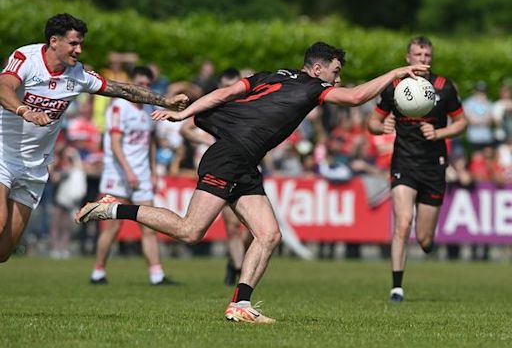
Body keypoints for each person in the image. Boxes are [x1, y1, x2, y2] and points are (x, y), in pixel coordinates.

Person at [76, 41, 428, 323]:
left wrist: (187, 111)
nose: (336, 81)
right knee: (189, 231)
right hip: (230, 157)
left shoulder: (270, 75)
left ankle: (240, 304)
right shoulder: (312, 87)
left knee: (269, 234)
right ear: (318, 68)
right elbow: (354, 98)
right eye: (334, 73)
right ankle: (114, 208)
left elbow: (226, 93)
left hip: (243, 162)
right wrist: (396, 73)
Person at [0, 13, 188, 263]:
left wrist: (164, 101)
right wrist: (26, 111)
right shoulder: (26, 58)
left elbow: (121, 89)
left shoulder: (77, 75)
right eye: (74, 43)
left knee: (4, 251)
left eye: (81, 44)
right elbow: (4, 88)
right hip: (3, 154)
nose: (79, 50)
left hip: (34, 167)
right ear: (54, 41)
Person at [368, 36, 468, 302]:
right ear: (408, 58)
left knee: (424, 239)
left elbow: (462, 123)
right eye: (418, 55)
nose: (423, 59)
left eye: (427, 56)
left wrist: (439, 132)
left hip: (433, 165)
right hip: (404, 162)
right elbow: (372, 123)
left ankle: (427, 242)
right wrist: (383, 126)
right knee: (402, 223)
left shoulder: (444, 87)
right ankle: (396, 288)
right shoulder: (395, 87)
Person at [89, 66, 177, 285]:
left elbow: (150, 144)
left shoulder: (148, 110)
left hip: (141, 174)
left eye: (147, 85)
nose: (143, 88)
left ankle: (157, 274)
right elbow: (115, 143)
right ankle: (98, 271)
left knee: (149, 225)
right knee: (112, 225)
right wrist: (128, 171)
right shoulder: (119, 107)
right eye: (140, 84)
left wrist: (153, 171)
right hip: (117, 173)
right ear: (132, 84)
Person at [180, 67, 249, 286]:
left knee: (251, 228)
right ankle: (238, 269)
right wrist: (206, 141)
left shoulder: (246, 105)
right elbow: (185, 129)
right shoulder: (213, 105)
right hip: (219, 169)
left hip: (244, 167)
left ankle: (235, 261)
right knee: (230, 223)